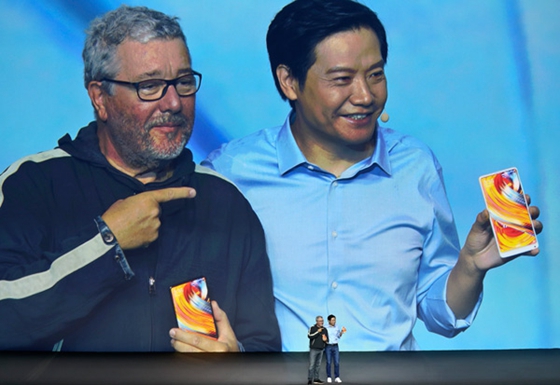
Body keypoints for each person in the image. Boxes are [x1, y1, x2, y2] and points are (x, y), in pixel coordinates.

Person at [202, 0, 542, 351]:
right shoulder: (233, 172)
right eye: (342, 79)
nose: (365, 96)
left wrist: (471, 266)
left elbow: (440, 315)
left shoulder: (415, 166)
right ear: (289, 82)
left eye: (376, 74)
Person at [0, 5, 281, 353]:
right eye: (150, 86)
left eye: (183, 82)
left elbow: (264, 348)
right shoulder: (33, 184)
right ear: (100, 98)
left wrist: (235, 359)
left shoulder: (226, 202)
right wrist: (107, 243)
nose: (174, 102)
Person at [308, 316, 329, 384]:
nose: (321, 322)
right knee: (312, 365)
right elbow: (309, 336)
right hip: (313, 349)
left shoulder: (325, 329)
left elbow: (327, 340)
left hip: (321, 349)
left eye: (322, 321)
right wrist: (317, 332)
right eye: (320, 321)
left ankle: (316, 379)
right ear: (316, 321)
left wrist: (325, 340)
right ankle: (310, 379)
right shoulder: (312, 328)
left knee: (318, 365)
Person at [325, 315, 346, 383]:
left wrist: (341, 332)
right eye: (333, 320)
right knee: (328, 362)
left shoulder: (337, 327)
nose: (334, 321)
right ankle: (329, 376)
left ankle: (337, 377)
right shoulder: (325, 327)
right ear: (329, 321)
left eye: (335, 320)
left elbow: (338, 336)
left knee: (336, 362)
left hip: (335, 346)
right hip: (328, 346)